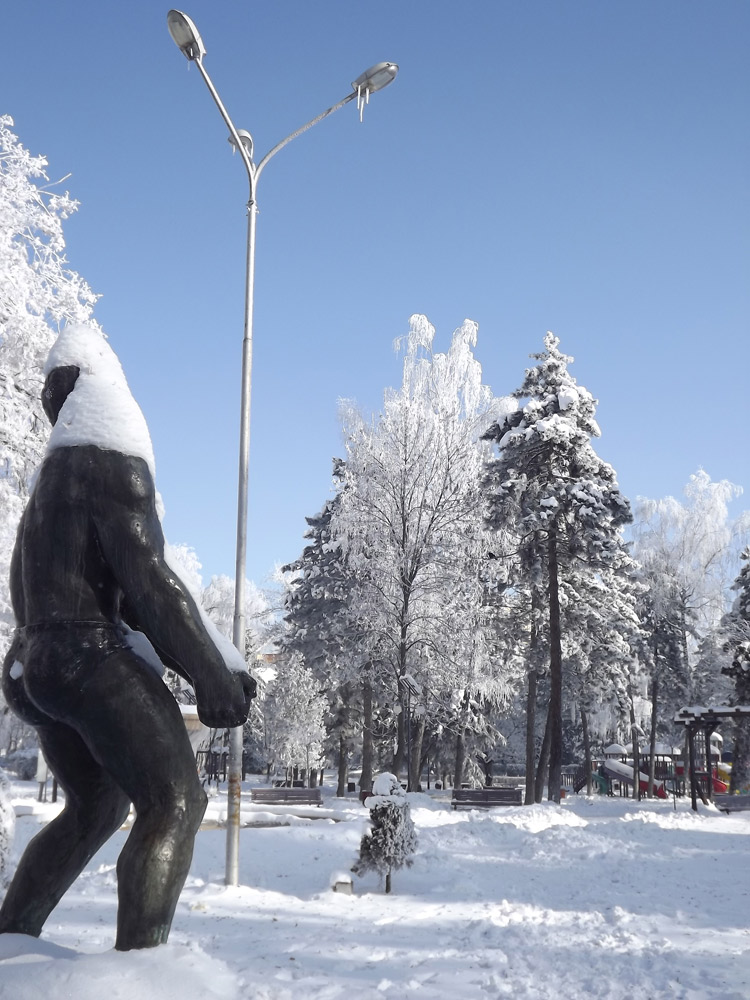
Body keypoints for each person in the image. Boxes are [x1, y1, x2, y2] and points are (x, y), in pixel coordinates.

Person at [0, 325, 255, 950]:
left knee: (96, 808)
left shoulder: (46, 494)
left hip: (30, 664)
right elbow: (147, 581)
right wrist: (213, 677)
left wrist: (208, 661)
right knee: (175, 805)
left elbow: (126, 600)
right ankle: (144, 973)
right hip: (87, 656)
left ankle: (11, 939)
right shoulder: (110, 462)